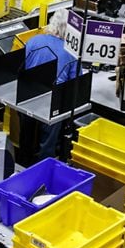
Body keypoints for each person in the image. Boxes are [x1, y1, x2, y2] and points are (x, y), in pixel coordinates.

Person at [23, 8, 79, 159]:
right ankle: (44, 164)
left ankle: (24, 159)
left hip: (26, 94)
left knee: (26, 133)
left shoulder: (33, 40)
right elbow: (74, 81)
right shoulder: (70, 50)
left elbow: (20, 67)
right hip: (52, 100)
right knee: (49, 138)